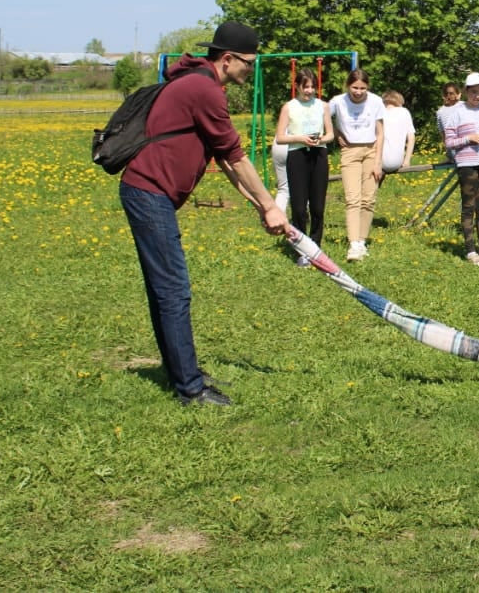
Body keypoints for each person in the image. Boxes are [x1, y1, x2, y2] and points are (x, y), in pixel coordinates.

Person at [119, 21, 288, 406]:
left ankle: (180, 371)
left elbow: (226, 163)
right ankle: (191, 389)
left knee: (165, 290)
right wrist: (271, 206)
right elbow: (237, 157)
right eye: (249, 62)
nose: (251, 69)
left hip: (149, 193)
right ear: (227, 60)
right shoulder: (204, 89)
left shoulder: (196, 83)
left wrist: (261, 207)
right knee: (173, 290)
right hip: (149, 193)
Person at [273, 67, 334, 266]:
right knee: (299, 207)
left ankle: (315, 247)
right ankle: (300, 248)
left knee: (317, 206)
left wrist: (320, 140)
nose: (309, 91)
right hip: (296, 155)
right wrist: (300, 139)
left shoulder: (323, 106)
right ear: (297, 87)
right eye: (305, 87)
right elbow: (281, 137)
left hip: (318, 154)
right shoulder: (288, 107)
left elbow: (330, 135)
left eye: (312, 87)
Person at [443, 72, 479, 265]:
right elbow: (449, 142)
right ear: (466, 91)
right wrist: (469, 139)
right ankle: (470, 250)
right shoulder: (457, 113)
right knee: (469, 206)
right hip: (467, 164)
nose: (477, 95)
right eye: (474, 92)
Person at [329, 69, 384, 261]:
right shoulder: (337, 101)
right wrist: (336, 134)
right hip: (349, 152)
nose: (358, 92)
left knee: (368, 199)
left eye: (362, 88)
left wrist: (378, 162)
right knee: (353, 198)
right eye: (355, 87)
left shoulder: (376, 101)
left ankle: (361, 241)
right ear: (348, 86)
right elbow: (323, 118)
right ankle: (353, 245)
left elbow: (380, 133)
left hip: (371, 150)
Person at [380, 89, 416, 174]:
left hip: (379, 162)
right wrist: (407, 160)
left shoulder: (379, 112)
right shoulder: (404, 112)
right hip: (396, 162)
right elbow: (411, 138)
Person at [436, 82, 461, 163]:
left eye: (451, 93)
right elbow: (443, 133)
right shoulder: (440, 111)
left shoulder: (463, 106)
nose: (449, 96)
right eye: (446, 94)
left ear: (457, 94)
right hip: (452, 148)